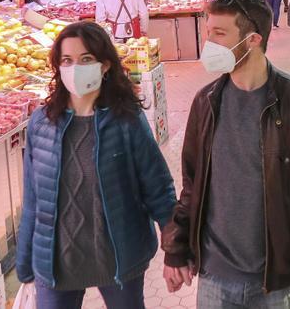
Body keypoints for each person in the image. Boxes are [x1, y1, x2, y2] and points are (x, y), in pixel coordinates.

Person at [162, 0, 290, 309]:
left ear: (252, 40)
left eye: (219, 34)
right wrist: (176, 247)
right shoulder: (206, 103)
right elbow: (193, 186)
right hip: (214, 278)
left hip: (281, 281)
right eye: (208, 32)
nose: (209, 43)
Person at [16, 21, 177, 308]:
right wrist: (25, 264)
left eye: (86, 59)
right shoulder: (41, 123)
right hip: (57, 262)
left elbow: (158, 187)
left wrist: (175, 249)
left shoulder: (126, 120)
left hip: (117, 258)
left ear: (104, 66)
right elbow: (32, 201)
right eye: (67, 60)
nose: (75, 68)